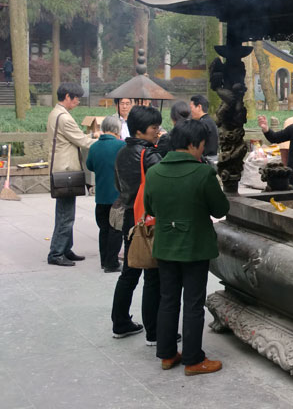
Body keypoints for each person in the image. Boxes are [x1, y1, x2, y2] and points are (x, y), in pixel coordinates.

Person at [144, 119, 229, 375]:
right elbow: (220, 209)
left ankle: (167, 354)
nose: (203, 149)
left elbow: (150, 208)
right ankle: (193, 359)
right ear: (193, 145)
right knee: (193, 302)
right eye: (202, 145)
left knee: (168, 299)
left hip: (165, 245)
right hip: (194, 246)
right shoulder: (203, 173)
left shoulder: (154, 172)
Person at [110, 105, 163, 341]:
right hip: (149, 218)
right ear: (140, 130)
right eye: (154, 127)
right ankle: (154, 332)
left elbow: (118, 185)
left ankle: (120, 323)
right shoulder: (149, 155)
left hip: (130, 216)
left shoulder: (122, 152)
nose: (157, 131)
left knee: (129, 272)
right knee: (153, 275)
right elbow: (161, 185)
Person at [46, 83, 98, 266]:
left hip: (62, 168)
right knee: (66, 215)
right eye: (76, 98)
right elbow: (83, 141)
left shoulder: (56, 113)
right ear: (67, 96)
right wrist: (104, 139)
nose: (78, 101)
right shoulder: (64, 118)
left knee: (65, 212)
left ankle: (66, 249)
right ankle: (56, 253)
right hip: (66, 170)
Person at [86, 115, 126, 273]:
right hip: (117, 196)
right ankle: (112, 263)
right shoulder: (121, 146)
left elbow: (90, 165)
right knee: (115, 229)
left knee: (103, 229)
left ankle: (104, 261)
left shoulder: (94, 147)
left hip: (101, 196)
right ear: (117, 129)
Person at [190, 95, 219, 162]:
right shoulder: (210, 121)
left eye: (191, 108)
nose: (190, 111)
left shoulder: (202, 124)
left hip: (205, 160)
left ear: (199, 107)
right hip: (213, 158)